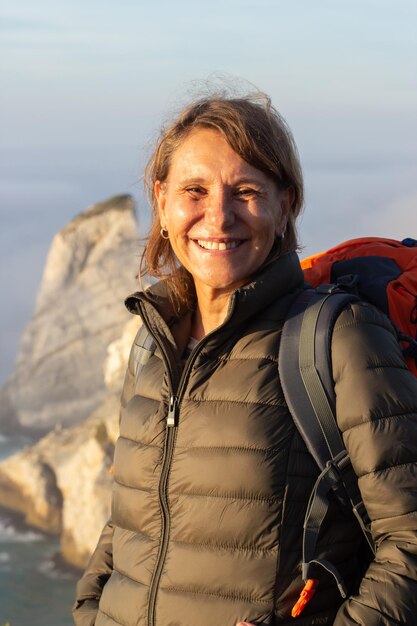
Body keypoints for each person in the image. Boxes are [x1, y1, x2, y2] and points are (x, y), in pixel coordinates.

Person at [73, 89, 417, 626]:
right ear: (162, 203)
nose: (218, 216)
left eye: (247, 191)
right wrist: (91, 609)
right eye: (194, 190)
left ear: (287, 205)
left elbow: (409, 540)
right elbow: (129, 522)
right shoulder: (152, 345)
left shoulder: (336, 338)